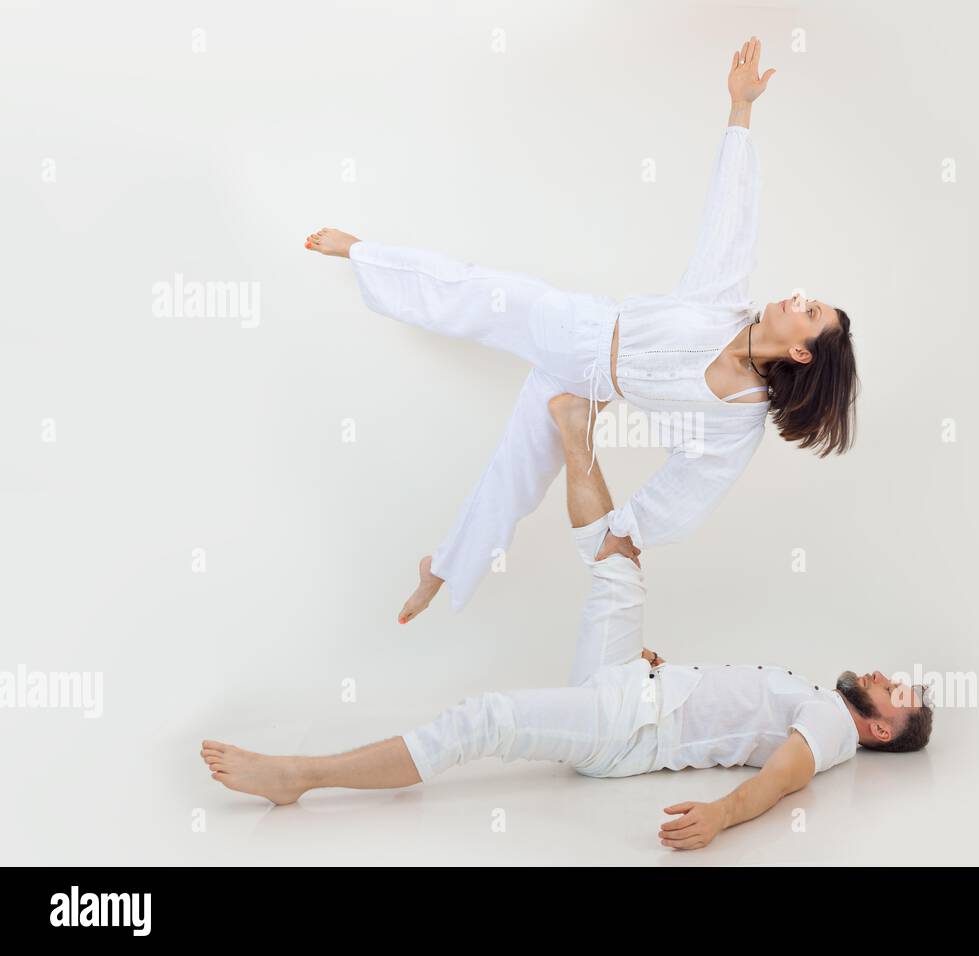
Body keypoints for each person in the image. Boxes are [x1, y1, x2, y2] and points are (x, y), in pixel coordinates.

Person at [200, 395, 931, 851]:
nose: (886, 680)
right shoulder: (819, 697)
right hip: (633, 687)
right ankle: (576, 430)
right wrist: (663, 673)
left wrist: (720, 818)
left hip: (626, 729)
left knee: (482, 719)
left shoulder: (832, 730)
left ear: (878, 731)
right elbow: (732, 718)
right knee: (618, 559)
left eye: (898, 696)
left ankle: (298, 776)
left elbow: (779, 782)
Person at [303, 36, 860, 621]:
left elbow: (696, 488)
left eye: (812, 311)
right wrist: (741, 109)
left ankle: (441, 566)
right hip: (573, 327)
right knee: (469, 289)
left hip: (589, 387)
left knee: (516, 476)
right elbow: (732, 214)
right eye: (811, 299)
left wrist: (633, 529)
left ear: (801, 351)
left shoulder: (736, 418)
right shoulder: (723, 301)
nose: (800, 298)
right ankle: (363, 254)